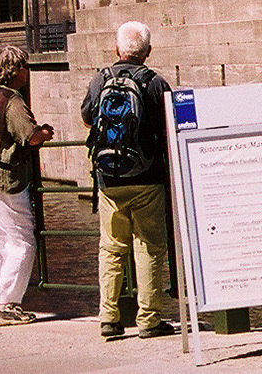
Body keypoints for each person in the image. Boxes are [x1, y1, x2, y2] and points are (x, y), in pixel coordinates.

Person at [81, 20, 174, 340]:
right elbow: (169, 126)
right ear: (147, 52)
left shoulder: (100, 79)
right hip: (148, 176)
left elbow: (86, 117)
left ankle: (109, 317)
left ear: (117, 49)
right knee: (149, 247)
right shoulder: (154, 82)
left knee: (111, 248)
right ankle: (149, 319)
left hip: (108, 178)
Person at [0, 44, 53, 327]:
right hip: (3, 179)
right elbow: (29, 137)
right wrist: (45, 133)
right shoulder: (13, 100)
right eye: (25, 67)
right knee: (21, 240)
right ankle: (8, 305)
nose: (27, 72)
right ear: (16, 71)